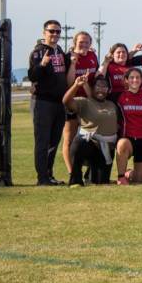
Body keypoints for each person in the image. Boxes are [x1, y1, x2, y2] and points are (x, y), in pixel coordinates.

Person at [28, 19, 72, 185]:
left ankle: (49, 174)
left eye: (58, 32)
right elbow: (32, 75)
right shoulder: (38, 52)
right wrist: (42, 64)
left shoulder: (59, 50)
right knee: (42, 141)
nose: (54, 34)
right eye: (51, 31)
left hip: (58, 102)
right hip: (43, 102)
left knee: (54, 141)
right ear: (44, 32)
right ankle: (42, 178)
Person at [63, 74, 118, 187]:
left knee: (101, 182)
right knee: (78, 143)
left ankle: (91, 175)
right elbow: (66, 101)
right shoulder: (85, 102)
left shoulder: (112, 104)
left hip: (106, 147)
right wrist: (76, 86)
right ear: (92, 88)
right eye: (98, 86)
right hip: (89, 143)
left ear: (108, 90)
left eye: (104, 87)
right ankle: (76, 180)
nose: (101, 89)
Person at [62, 31, 98, 177]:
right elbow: (69, 82)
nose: (83, 45)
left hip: (88, 102)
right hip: (72, 101)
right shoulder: (69, 57)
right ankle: (72, 173)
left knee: (93, 137)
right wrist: (73, 63)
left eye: (86, 42)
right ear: (74, 42)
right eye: (80, 42)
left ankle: (91, 170)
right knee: (69, 138)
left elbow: (94, 78)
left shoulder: (92, 56)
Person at [115, 68, 142, 185]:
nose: (135, 80)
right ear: (126, 80)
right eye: (131, 77)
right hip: (128, 138)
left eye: (137, 77)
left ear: (141, 80)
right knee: (122, 144)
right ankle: (121, 176)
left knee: (139, 179)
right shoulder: (120, 97)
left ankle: (129, 173)